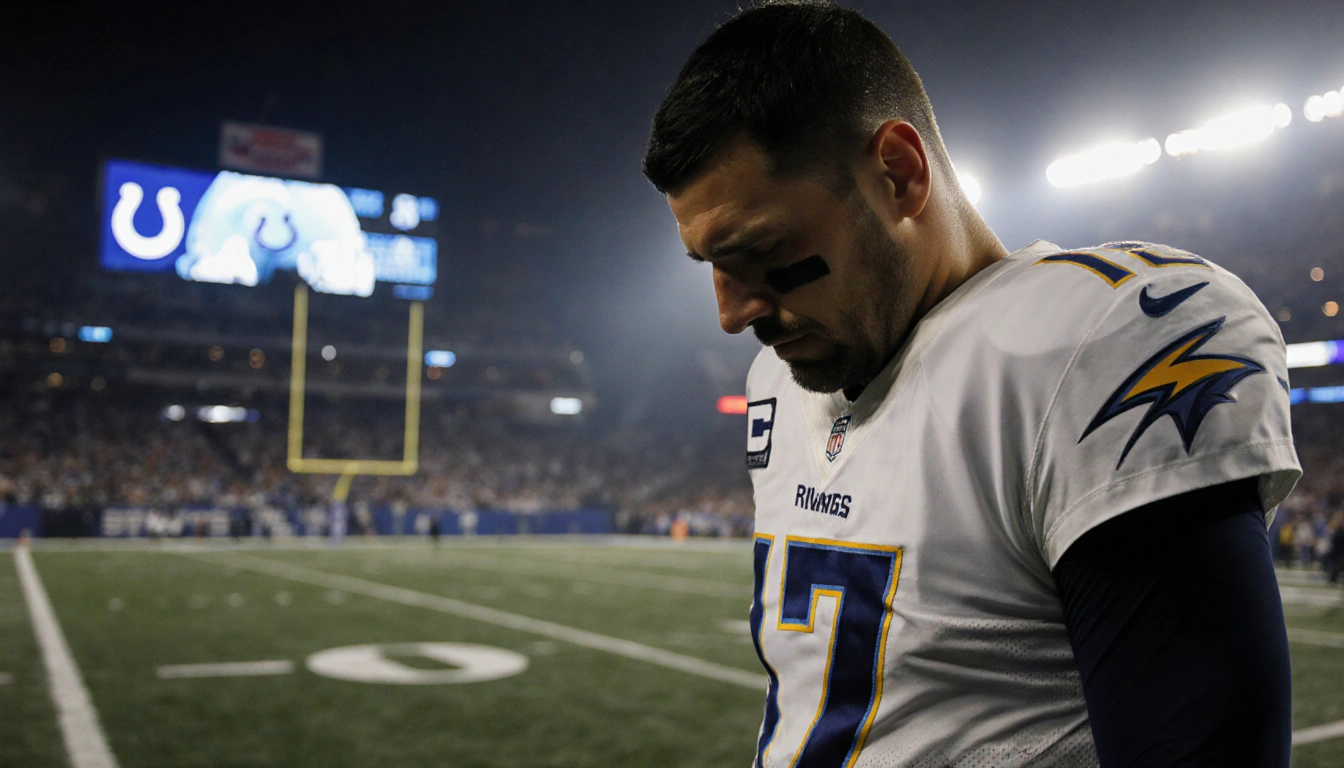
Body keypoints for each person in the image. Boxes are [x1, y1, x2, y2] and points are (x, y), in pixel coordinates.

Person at [643, 3, 1301, 766]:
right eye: (713, 266)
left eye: (763, 251)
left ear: (898, 174)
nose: (732, 313)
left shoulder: (1099, 339)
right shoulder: (781, 377)